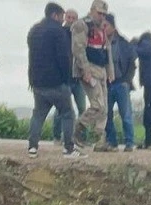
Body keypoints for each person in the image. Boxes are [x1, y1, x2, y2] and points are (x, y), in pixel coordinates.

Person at [27, 3, 82, 158]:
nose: (62, 19)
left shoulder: (34, 30)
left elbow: (32, 56)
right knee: (67, 113)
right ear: (55, 15)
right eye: (61, 15)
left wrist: (31, 79)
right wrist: (67, 78)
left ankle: (32, 147)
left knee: (38, 115)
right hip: (56, 82)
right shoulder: (58, 31)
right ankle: (69, 149)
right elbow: (64, 58)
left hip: (37, 82)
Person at [70, 1, 114, 151]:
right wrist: (85, 71)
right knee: (98, 105)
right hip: (89, 68)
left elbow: (106, 50)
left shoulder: (101, 27)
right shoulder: (82, 24)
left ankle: (99, 141)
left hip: (101, 69)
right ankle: (79, 128)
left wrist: (110, 72)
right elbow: (78, 49)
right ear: (92, 10)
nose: (101, 16)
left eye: (103, 14)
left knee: (104, 109)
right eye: (99, 13)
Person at [51, 8, 86, 145]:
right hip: (64, 78)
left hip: (78, 78)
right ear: (65, 18)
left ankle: (81, 137)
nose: (71, 20)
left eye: (73, 18)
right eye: (69, 17)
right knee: (61, 108)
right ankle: (57, 137)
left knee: (82, 109)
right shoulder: (59, 33)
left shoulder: (80, 35)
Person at [102, 14, 136, 152]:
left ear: (113, 27)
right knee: (107, 114)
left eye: (106, 26)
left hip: (121, 82)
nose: (103, 28)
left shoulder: (124, 43)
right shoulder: (101, 43)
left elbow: (132, 64)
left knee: (125, 114)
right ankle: (112, 141)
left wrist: (126, 81)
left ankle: (129, 142)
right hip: (107, 84)